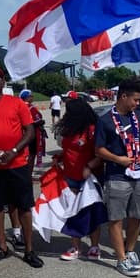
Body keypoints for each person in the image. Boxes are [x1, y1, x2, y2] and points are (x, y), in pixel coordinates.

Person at [0, 67, 42, 267]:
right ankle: (2, 246)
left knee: (24, 207)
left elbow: (29, 131)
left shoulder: (17, 103)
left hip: (17, 163)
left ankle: (29, 249)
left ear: (3, 83)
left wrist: (14, 150)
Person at [95, 79, 140, 274]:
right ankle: (120, 258)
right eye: (135, 100)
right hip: (117, 175)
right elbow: (99, 150)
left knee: (137, 215)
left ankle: (130, 250)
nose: (137, 104)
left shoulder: (138, 116)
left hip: (138, 174)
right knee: (116, 218)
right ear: (123, 96)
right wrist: (117, 159)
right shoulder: (104, 120)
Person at [49, 97, 105, 261]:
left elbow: (101, 154)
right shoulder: (69, 129)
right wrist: (59, 158)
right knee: (73, 212)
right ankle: (75, 247)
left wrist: (90, 166)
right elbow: (68, 150)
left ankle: (94, 246)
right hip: (71, 176)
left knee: (92, 212)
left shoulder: (93, 129)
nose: (67, 114)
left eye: (70, 111)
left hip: (91, 179)